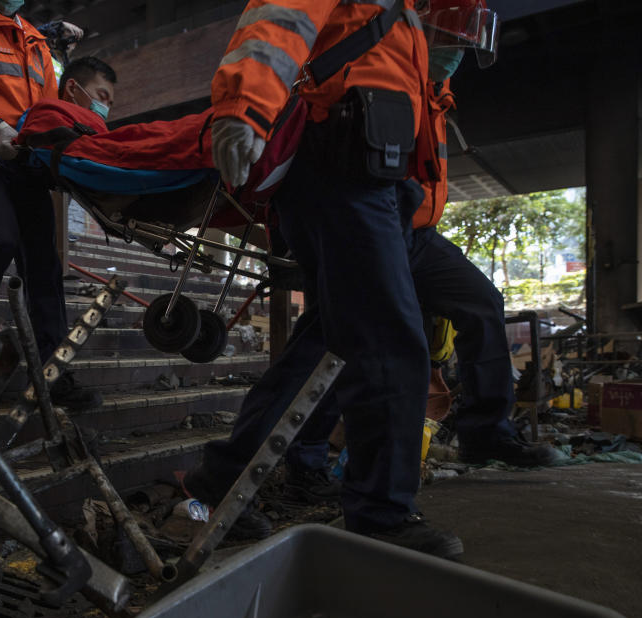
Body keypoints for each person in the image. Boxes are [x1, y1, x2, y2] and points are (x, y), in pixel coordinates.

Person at [184, 0, 465, 560]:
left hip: (371, 171)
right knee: (387, 340)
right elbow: (279, 18)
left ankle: (224, 474)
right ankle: (380, 514)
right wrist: (245, 106)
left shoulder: (406, 12)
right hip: (344, 164)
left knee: (331, 344)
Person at [279, 0, 558, 510]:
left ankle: (486, 430)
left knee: (482, 303)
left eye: (463, 46)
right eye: (449, 41)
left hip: (414, 234)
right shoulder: (374, 65)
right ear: (419, 30)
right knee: (336, 343)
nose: (455, 54)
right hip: (364, 227)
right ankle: (303, 462)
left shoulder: (435, 96)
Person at [0, 1, 110, 410]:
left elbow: (47, 107)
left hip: (24, 157)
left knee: (43, 263)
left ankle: (53, 372)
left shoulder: (36, 42)